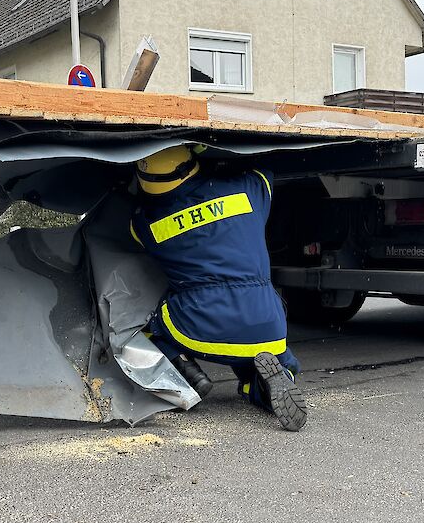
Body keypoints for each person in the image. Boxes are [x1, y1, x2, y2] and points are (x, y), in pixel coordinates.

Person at [129, 145, 307, 432]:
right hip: (269, 323)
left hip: (200, 328)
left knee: (143, 326)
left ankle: (185, 374)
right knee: (260, 355)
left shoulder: (144, 223)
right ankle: (265, 383)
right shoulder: (245, 189)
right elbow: (264, 171)